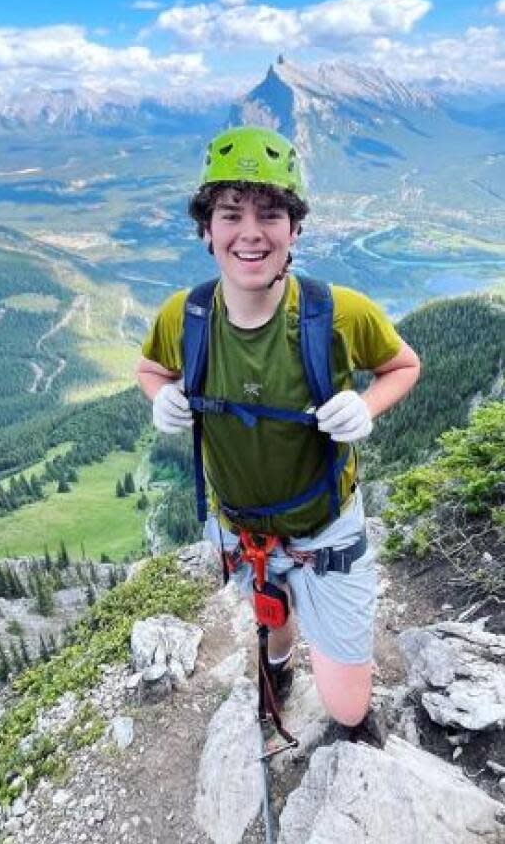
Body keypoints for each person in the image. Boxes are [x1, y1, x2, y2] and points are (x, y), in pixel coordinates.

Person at [135, 125, 421, 743]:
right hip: (243, 527)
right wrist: (161, 396)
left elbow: (404, 365)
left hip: (325, 531)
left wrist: (367, 406)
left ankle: (337, 706)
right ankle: (280, 665)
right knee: (272, 620)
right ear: (206, 230)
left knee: (347, 710)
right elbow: (151, 368)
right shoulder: (184, 318)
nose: (250, 232)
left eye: (270, 213)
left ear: (294, 230)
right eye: (230, 213)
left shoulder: (338, 312)